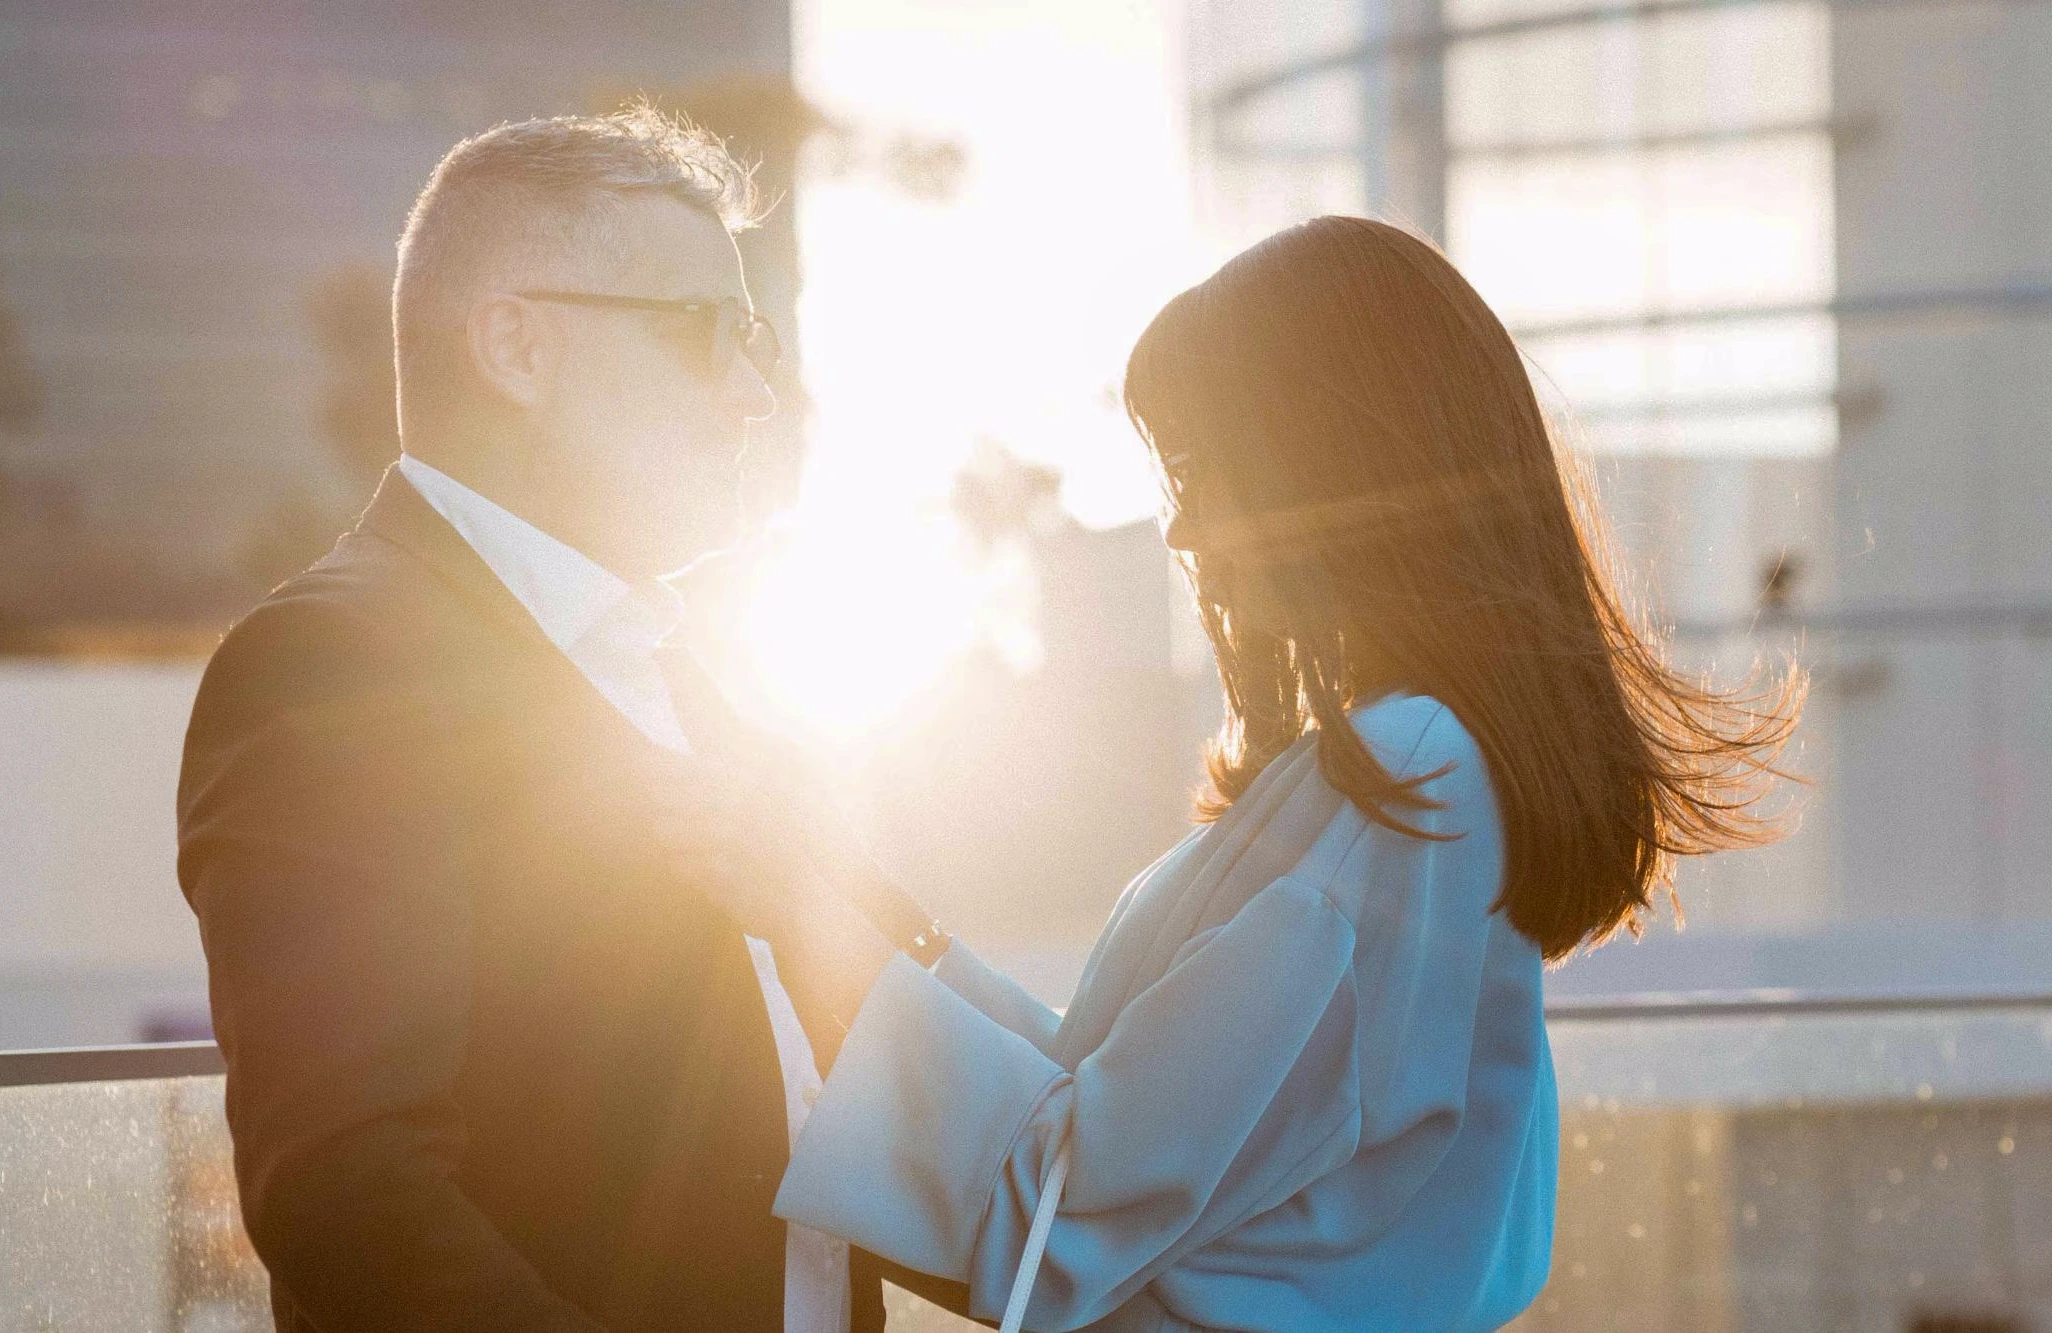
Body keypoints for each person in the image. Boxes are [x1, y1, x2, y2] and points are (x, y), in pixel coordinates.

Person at [667, 216, 1803, 1332]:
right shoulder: (1412, 769)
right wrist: (874, 915)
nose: (1182, 532)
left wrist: (816, 934)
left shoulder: (1407, 778)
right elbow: (1109, 1095)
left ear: (1330, 470)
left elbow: (1075, 1192)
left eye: (1207, 473)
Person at [176, 107, 966, 1332]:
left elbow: (812, 1104)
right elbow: (350, 1192)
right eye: (711, 336)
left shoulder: (697, 674)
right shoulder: (334, 661)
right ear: (519, 348)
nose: (757, 394)